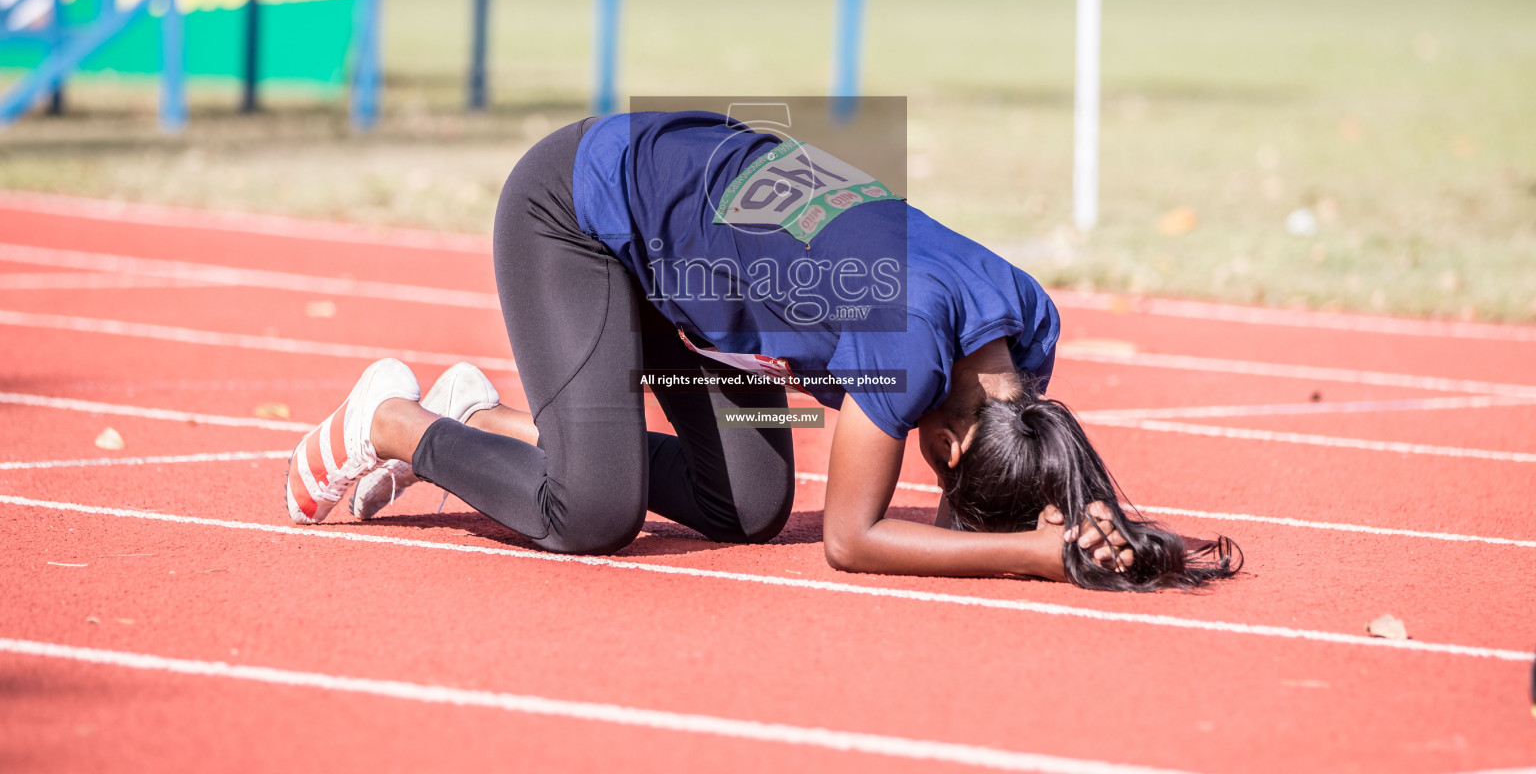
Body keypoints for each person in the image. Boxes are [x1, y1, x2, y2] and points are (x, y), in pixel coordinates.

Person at [284, 111, 1241, 591]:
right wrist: (1033, 555)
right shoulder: (905, 348)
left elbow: (1033, 442)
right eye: (944, 474)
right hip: (577, 210)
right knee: (590, 514)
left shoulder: (1022, 336)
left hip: (689, 260)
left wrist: (1085, 507)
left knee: (744, 508)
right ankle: (396, 424)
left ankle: (479, 416)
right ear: (943, 443)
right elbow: (849, 539)